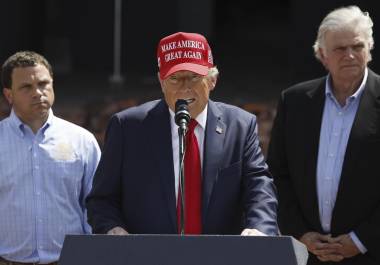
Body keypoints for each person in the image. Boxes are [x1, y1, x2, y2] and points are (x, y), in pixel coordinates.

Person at [86, 32, 278, 236]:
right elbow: (102, 199)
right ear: (161, 82)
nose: (185, 88)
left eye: (194, 77)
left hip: (220, 255)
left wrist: (259, 227)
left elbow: (259, 188)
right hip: (148, 255)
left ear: (212, 80)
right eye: (175, 78)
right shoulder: (128, 127)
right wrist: (112, 228)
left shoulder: (239, 125)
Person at [267, 6, 380, 265]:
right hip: (308, 255)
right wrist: (301, 233)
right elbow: (277, 175)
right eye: (340, 49)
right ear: (322, 55)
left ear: (369, 50)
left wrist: (361, 240)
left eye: (358, 47)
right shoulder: (294, 101)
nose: (350, 55)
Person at [0, 51, 101, 264]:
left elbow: (97, 205)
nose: (38, 93)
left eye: (44, 84)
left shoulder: (82, 141)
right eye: (26, 87)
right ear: (9, 95)